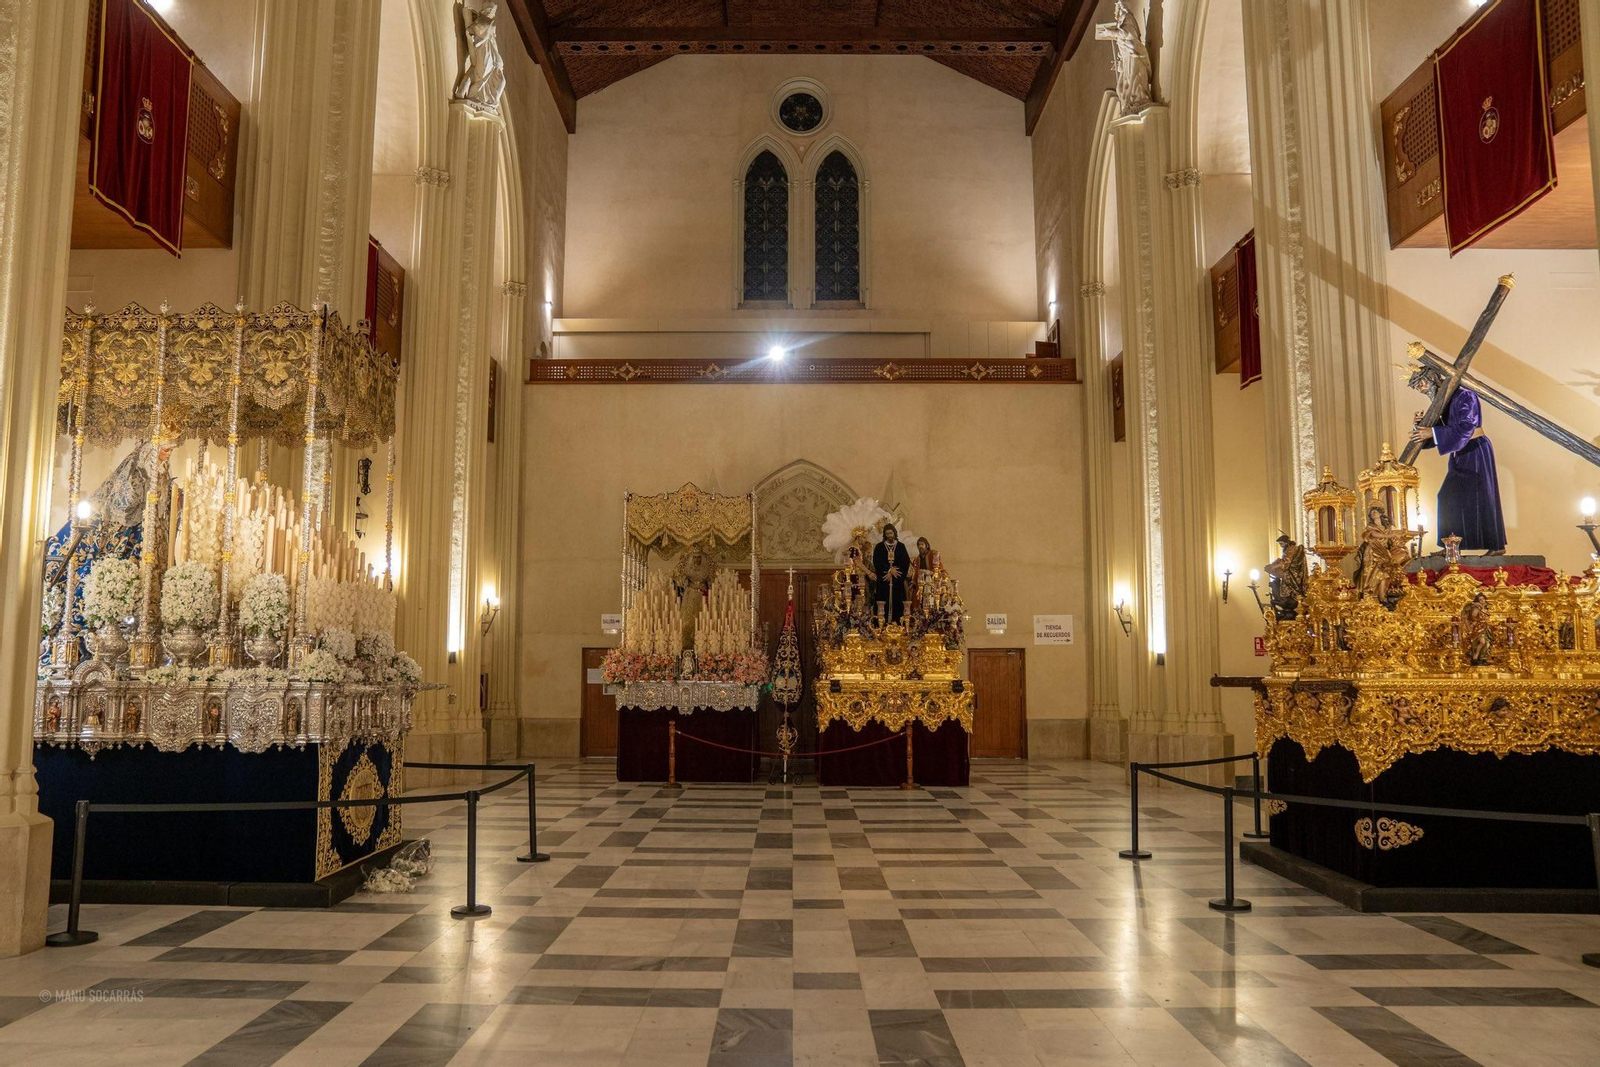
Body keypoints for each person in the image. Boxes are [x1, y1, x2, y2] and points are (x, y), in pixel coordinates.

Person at [1408, 364, 1506, 553]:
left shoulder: (1465, 395)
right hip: (1460, 453)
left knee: (1481, 496)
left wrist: (1432, 432)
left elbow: (1466, 427)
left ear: (1432, 378)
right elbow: (1436, 434)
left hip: (1474, 449)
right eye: (1416, 387)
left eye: (1421, 383)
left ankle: (1496, 546)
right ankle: (1451, 546)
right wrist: (1420, 428)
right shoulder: (1442, 402)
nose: (1420, 389)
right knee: (1450, 497)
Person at [872, 523, 912, 623]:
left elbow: (905, 562)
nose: (889, 535)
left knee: (897, 601)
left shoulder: (901, 546)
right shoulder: (879, 547)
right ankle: (882, 624)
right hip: (884, 580)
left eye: (891, 533)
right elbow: (877, 562)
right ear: (884, 535)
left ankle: (897, 624)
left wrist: (895, 571)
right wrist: (889, 570)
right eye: (887, 534)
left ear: (894, 533)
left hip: (897, 581)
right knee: (882, 602)